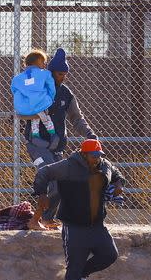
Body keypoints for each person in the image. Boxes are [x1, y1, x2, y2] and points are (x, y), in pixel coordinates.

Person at [33, 139, 125, 280]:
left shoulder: (104, 165)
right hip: (74, 227)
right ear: (84, 154)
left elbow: (116, 173)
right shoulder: (68, 166)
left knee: (110, 255)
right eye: (93, 155)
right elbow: (44, 172)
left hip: (97, 226)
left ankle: (83, 273)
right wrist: (42, 193)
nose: (97, 159)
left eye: (99, 155)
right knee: (73, 269)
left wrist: (118, 183)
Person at [26, 47, 98, 228]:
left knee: (62, 182)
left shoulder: (66, 93)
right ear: (50, 72)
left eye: (65, 74)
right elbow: (22, 107)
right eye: (60, 74)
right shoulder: (38, 88)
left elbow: (76, 118)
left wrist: (90, 134)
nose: (62, 77)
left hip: (56, 147)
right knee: (49, 177)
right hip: (37, 146)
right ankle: (36, 220)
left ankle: (46, 218)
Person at [11, 50, 58, 150]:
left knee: (35, 118)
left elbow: (14, 90)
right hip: (40, 105)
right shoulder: (45, 74)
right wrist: (50, 99)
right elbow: (51, 88)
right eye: (43, 62)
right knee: (45, 117)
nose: (45, 65)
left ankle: (35, 135)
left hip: (24, 108)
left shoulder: (17, 78)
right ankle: (53, 134)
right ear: (38, 62)